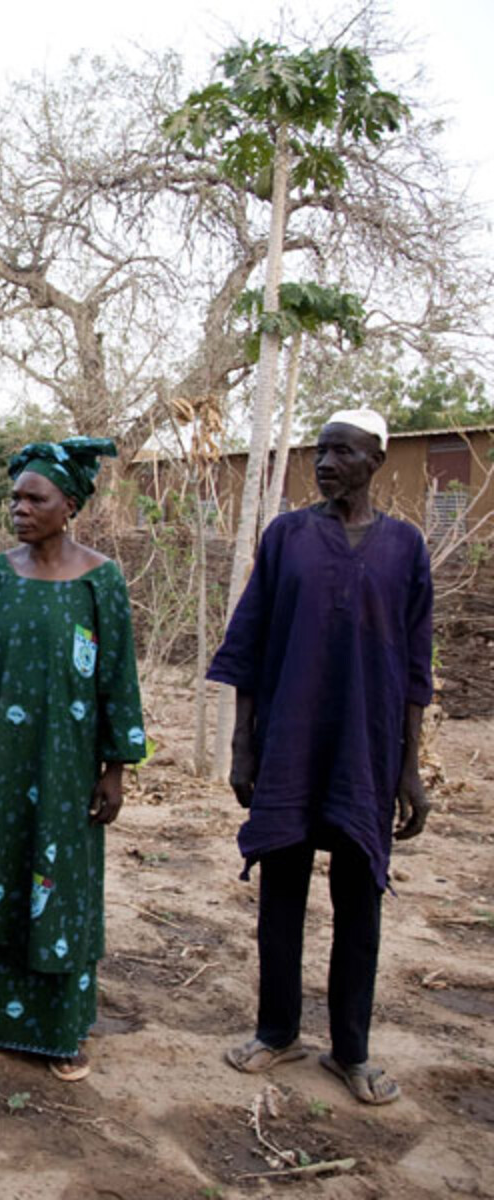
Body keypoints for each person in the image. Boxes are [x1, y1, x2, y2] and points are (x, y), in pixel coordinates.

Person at [210, 408, 432, 1106]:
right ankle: (276, 1031)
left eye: (343, 452)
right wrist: (244, 746)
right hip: (289, 741)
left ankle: (352, 1051)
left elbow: (417, 666)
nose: (327, 463)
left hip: (365, 752)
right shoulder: (288, 537)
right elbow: (248, 641)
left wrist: (409, 767)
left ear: (377, 461)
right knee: (282, 890)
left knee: (358, 900)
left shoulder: (405, 548)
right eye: (321, 451)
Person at [0, 439, 145, 1083]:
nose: (19, 508)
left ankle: (59, 1031)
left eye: (35, 498)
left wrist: (114, 768)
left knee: (60, 883)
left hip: (65, 770)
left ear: (69, 505)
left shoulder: (101, 579)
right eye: (16, 497)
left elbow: (117, 677)